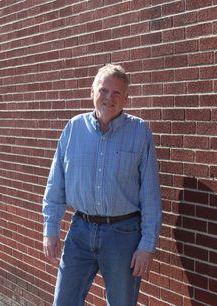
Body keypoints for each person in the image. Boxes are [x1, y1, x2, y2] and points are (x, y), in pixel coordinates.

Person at [42, 64, 162, 306]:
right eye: (104, 90)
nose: (109, 98)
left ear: (126, 99)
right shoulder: (74, 129)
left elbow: (150, 195)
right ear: (92, 92)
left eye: (117, 93)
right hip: (80, 231)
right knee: (63, 301)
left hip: (123, 235)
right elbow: (56, 183)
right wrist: (50, 228)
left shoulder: (139, 132)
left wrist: (147, 245)